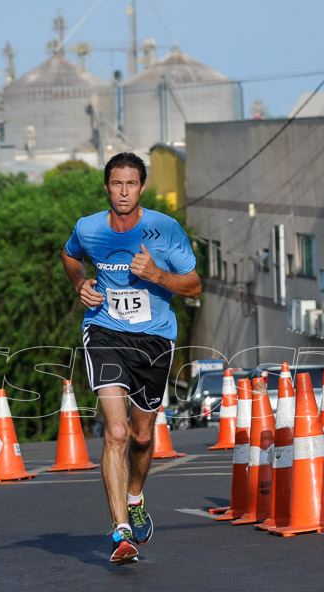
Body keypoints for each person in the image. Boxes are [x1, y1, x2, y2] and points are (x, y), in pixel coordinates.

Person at [61, 152, 201, 564]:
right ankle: (121, 531)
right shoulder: (88, 228)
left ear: (142, 187)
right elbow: (70, 256)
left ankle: (135, 496)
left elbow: (193, 286)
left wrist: (157, 275)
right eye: (116, 184)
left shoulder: (164, 228)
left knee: (141, 437)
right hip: (104, 332)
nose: (124, 192)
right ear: (107, 187)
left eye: (131, 184)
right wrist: (80, 285)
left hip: (154, 339)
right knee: (117, 433)